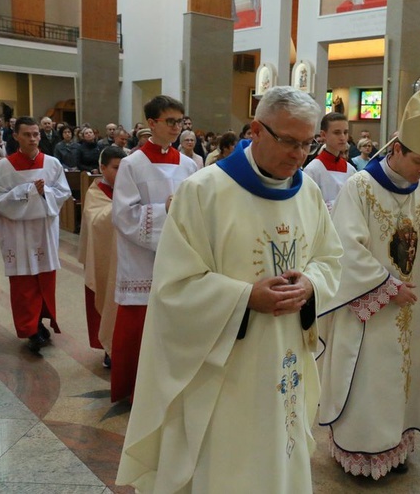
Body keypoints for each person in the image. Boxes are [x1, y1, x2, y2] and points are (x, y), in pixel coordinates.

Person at [116, 86, 343, 493]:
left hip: (287, 356)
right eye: (288, 141)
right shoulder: (203, 192)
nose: (298, 155)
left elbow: (330, 260)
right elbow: (174, 289)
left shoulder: (307, 191)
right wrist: (244, 298)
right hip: (226, 367)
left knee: (280, 454)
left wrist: (311, 285)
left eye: (307, 144)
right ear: (256, 130)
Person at [318, 89, 420, 479]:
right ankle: (364, 451)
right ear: (396, 149)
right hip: (371, 309)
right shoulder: (360, 187)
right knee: (371, 377)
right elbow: (346, 247)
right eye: (418, 161)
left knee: (405, 374)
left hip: (411, 307)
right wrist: (386, 287)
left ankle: (395, 445)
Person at [110, 95, 198, 402]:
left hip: (178, 260)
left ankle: (168, 389)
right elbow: (123, 214)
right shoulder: (132, 164)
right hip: (141, 260)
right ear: (152, 123)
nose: (176, 128)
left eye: (180, 122)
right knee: (139, 326)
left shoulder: (189, 165)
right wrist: (166, 210)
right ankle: (134, 391)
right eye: (170, 121)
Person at [0, 116, 71, 353]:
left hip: (43, 231)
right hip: (16, 233)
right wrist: (29, 191)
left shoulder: (52, 164)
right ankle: (30, 329)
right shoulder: (2, 168)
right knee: (23, 282)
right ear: (16, 136)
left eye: (36, 134)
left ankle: (41, 322)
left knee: (44, 279)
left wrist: (45, 191)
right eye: (27, 134)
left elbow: (62, 193)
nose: (33, 139)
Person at [78, 145, 125, 369]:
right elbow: (95, 221)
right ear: (102, 168)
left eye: (124, 168)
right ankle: (109, 348)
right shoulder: (95, 192)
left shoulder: (129, 189)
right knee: (107, 300)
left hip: (127, 258)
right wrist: (122, 209)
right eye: (116, 168)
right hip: (105, 257)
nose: (121, 173)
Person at [303, 112, 356, 211]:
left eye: (345, 132)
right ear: (323, 135)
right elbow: (307, 206)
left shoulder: (351, 169)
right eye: (337, 132)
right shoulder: (312, 170)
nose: (343, 137)